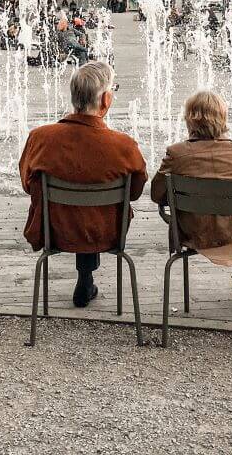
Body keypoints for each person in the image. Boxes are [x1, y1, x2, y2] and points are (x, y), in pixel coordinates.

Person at [19, 61, 147, 307]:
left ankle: (85, 278)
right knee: (94, 213)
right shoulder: (124, 146)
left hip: (54, 229)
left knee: (79, 212)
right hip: (107, 232)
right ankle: (85, 278)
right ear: (106, 100)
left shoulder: (40, 138)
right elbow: (135, 191)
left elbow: (27, 183)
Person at [151, 91, 232, 306]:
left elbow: (157, 195)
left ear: (189, 118)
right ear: (223, 117)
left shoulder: (176, 153)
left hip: (199, 239)